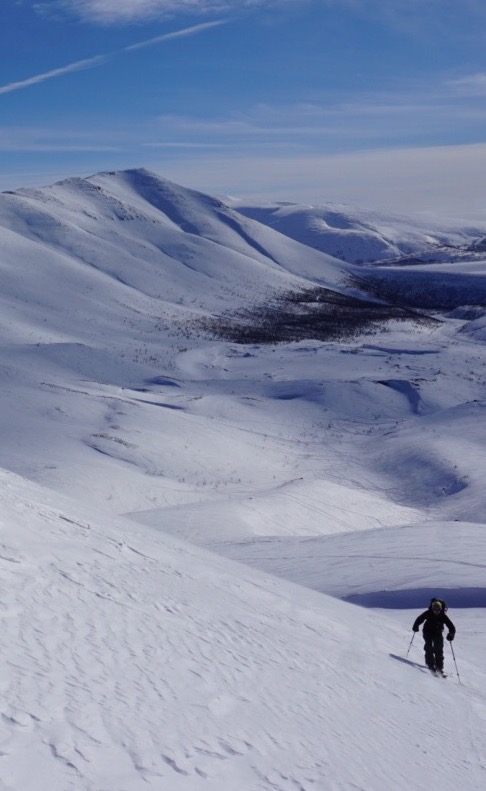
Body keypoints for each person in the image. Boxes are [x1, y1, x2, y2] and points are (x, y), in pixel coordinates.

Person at [412, 599, 456, 674]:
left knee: (439, 650)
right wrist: (415, 626)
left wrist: (451, 635)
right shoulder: (428, 613)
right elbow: (420, 619)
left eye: (438, 610)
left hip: (438, 633)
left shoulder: (443, 616)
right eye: (435, 609)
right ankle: (430, 665)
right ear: (432, 608)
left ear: (441, 609)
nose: (436, 611)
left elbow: (452, 627)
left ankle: (439, 668)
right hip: (427, 632)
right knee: (429, 648)